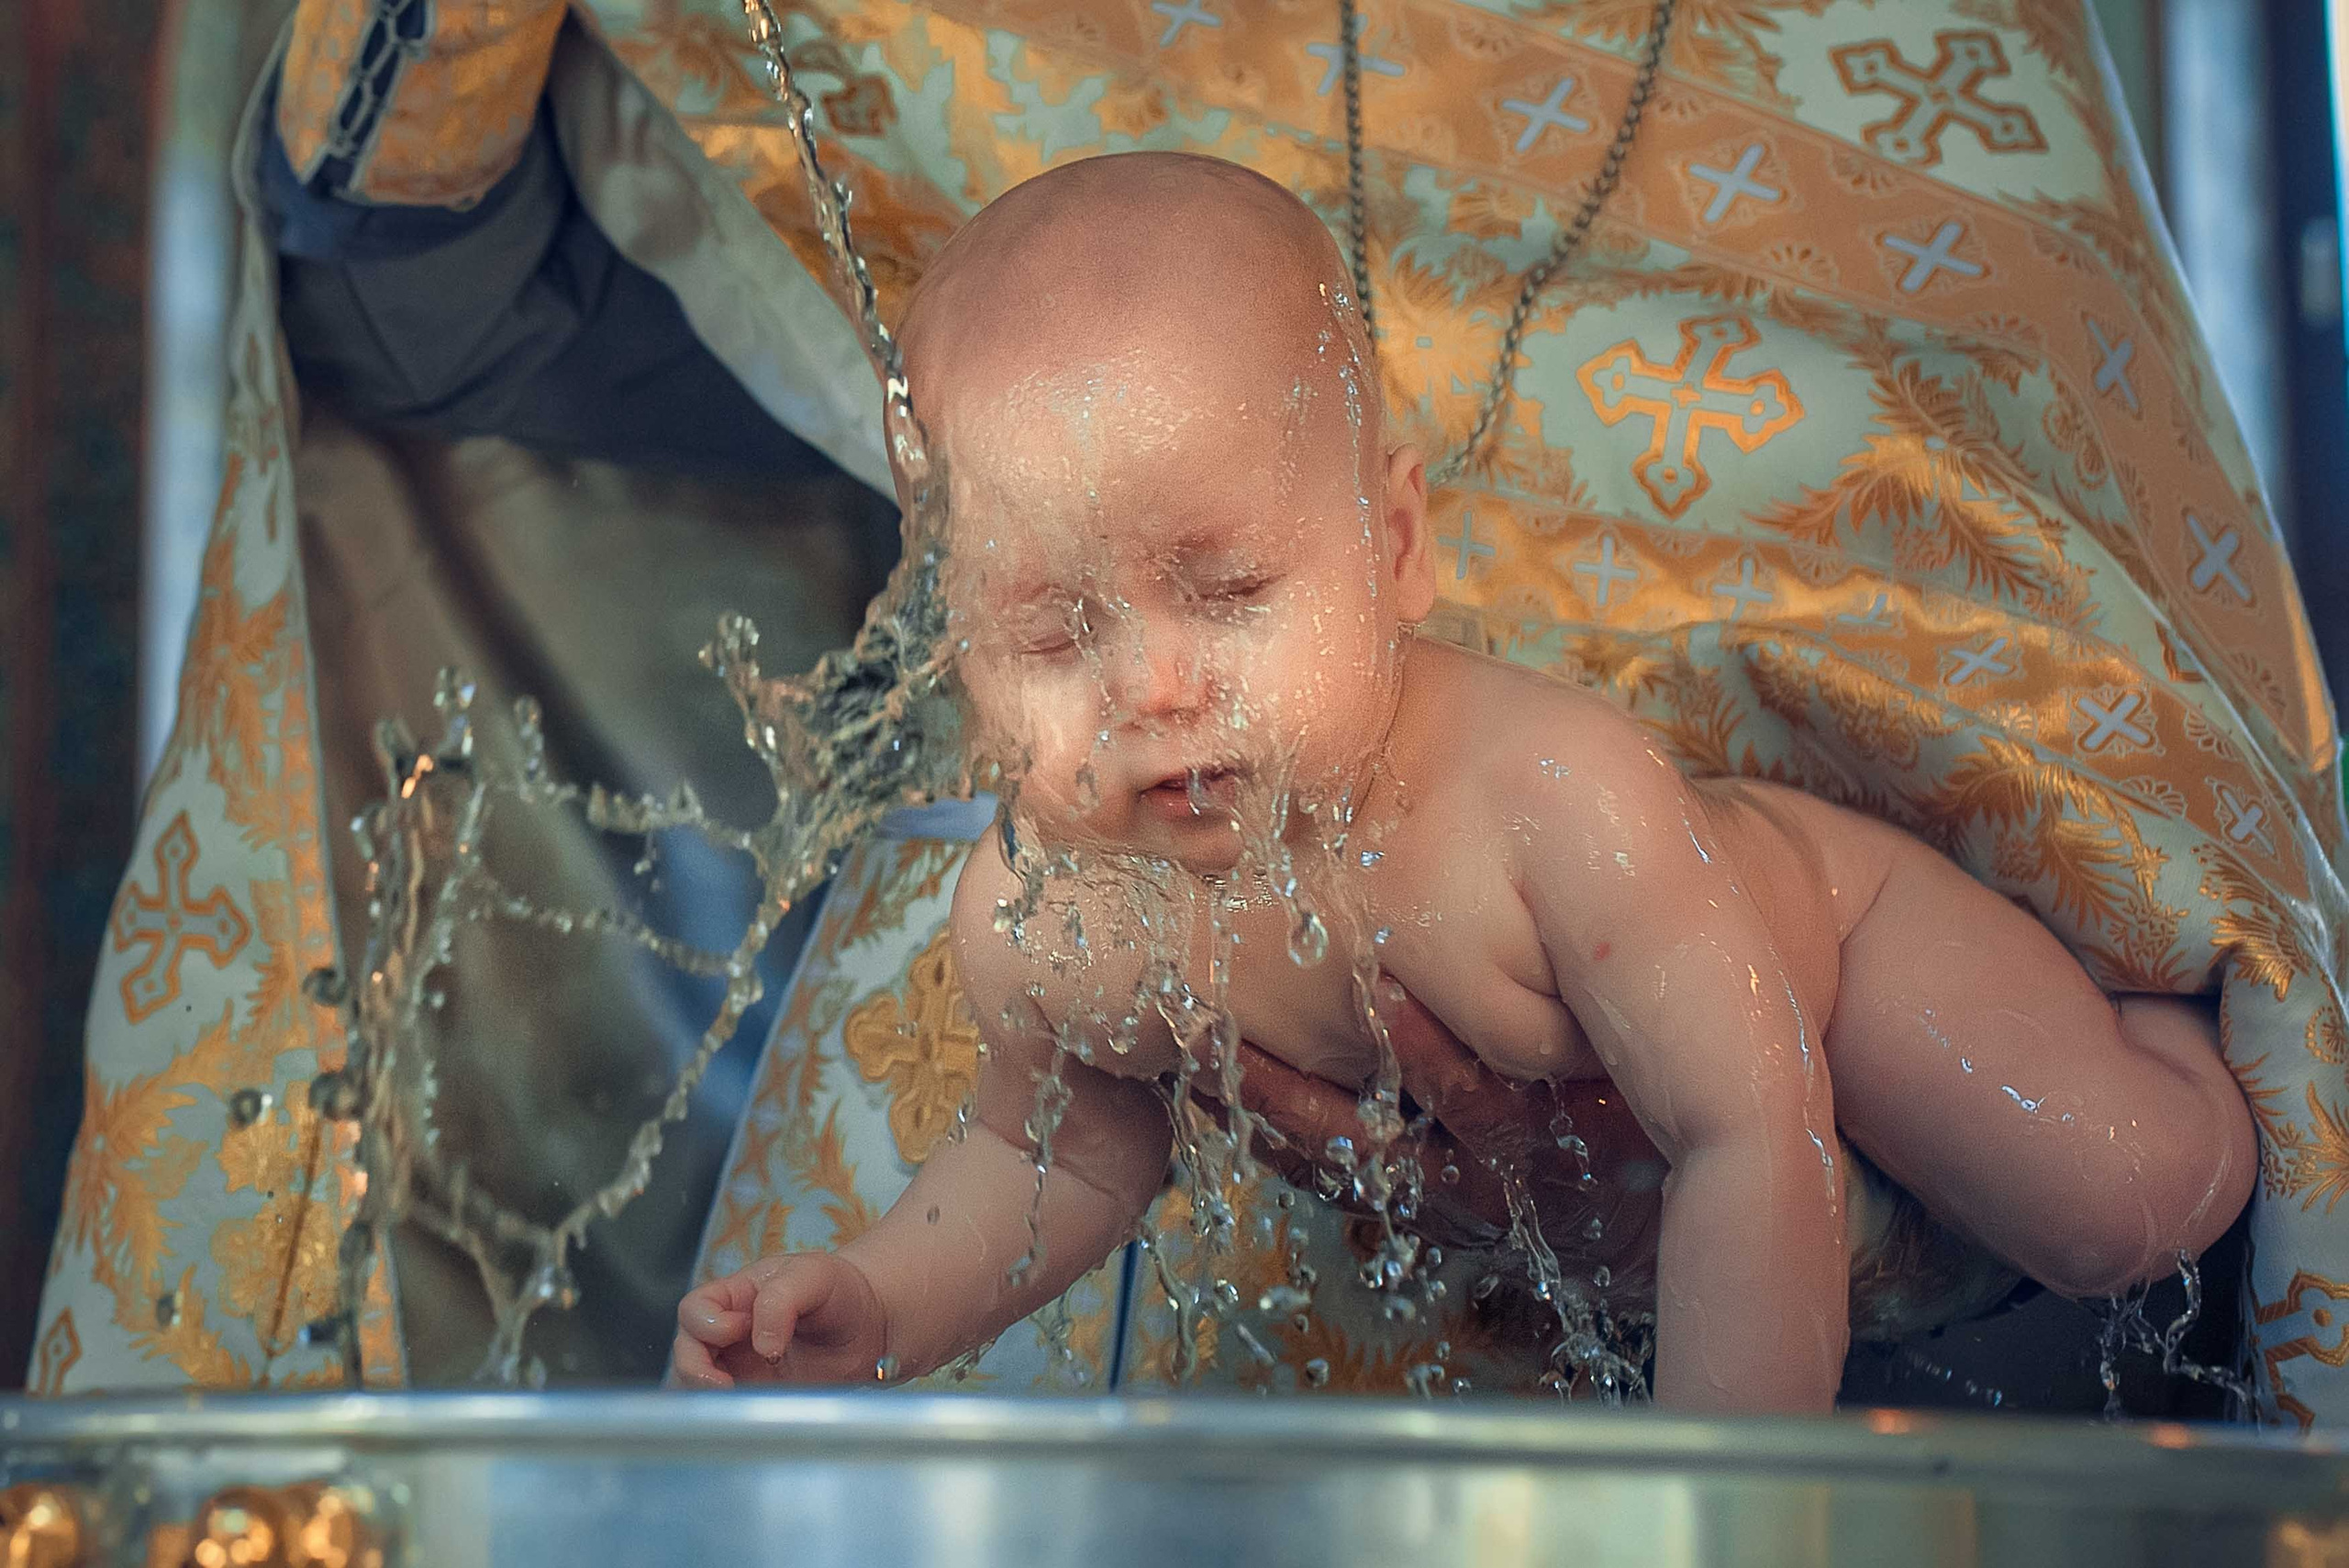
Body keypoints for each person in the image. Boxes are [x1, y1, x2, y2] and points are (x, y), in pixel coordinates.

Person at [673, 154, 2255, 1413]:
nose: (1151, 692)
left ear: (1398, 544)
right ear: (953, 638)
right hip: (1633, 1103)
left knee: (2121, 1200)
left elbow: (1748, 1129)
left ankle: (2195, 1015)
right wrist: (876, 1304)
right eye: (1053, 631)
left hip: (1832, 953)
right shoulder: (1049, 912)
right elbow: (1057, 1155)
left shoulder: (1550, 801)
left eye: (1226, 593)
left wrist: (1720, 1500)